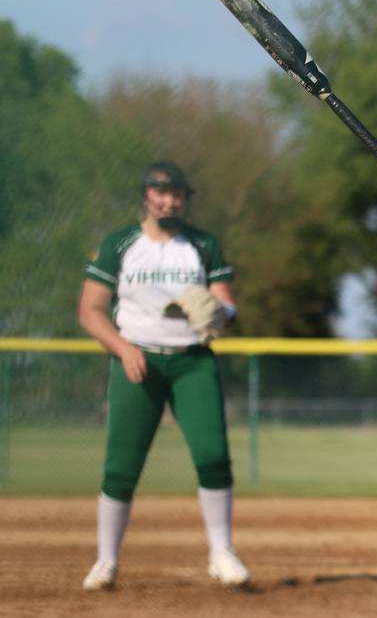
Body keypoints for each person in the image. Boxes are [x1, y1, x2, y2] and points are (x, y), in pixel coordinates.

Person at [78, 161, 250, 590]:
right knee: (122, 466)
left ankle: (222, 552)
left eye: (177, 193)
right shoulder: (120, 244)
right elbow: (90, 311)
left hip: (192, 360)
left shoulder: (201, 244)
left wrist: (221, 312)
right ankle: (107, 561)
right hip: (138, 360)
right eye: (161, 192)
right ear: (146, 196)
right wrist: (123, 348)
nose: (170, 199)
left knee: (212, 456)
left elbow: (226, 305)